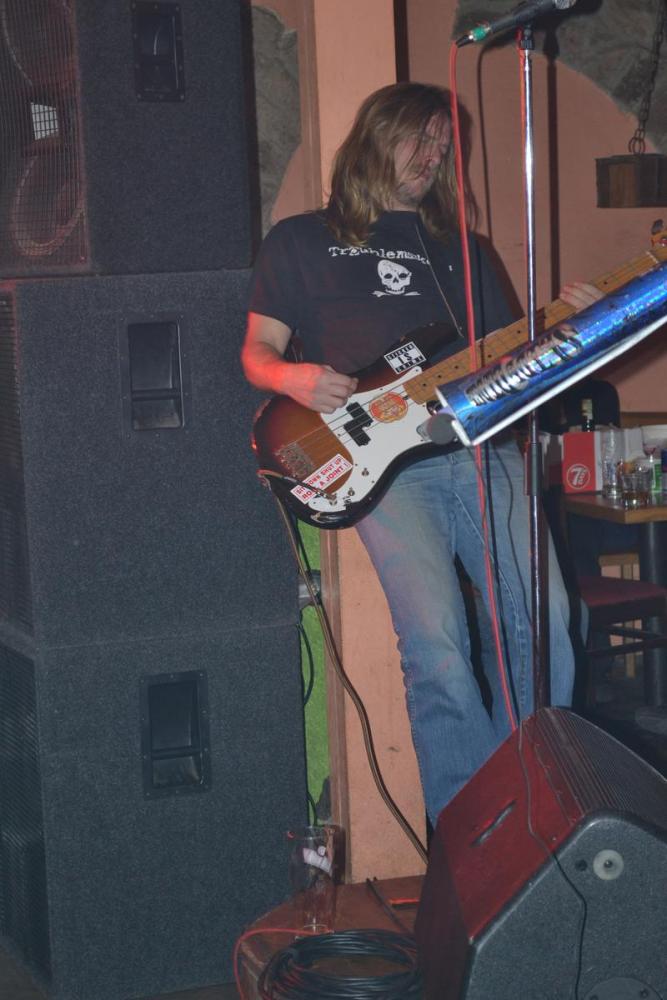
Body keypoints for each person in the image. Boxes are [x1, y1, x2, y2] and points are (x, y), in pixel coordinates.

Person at [242, 81, 600, 826]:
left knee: (547, 617)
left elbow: (510, 360)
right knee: (435, 642)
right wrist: (294, 379)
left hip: (482, 449)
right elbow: (256, 352)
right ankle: (472, 828)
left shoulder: (462, 251)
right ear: (377, 136)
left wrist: (573, 327)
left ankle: (536, 808)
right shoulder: (300, 240)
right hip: (385, 471)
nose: (436, 155)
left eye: (444, 144)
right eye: (422, 138)